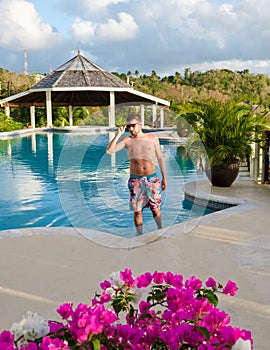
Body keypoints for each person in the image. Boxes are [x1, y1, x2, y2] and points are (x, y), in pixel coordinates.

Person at [106, 114, 167, 234]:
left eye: (133, 126)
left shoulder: (153, 138)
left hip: (152, 179)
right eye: (129, 126)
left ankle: (161, 231)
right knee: (137, 211)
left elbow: (160, 158)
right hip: (135, 181)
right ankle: (140, 235)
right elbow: (109, 151)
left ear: (140, 124)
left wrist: (164, 177)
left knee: (156, 209)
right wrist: (118, 134)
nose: (131, 129)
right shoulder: (127, 140)